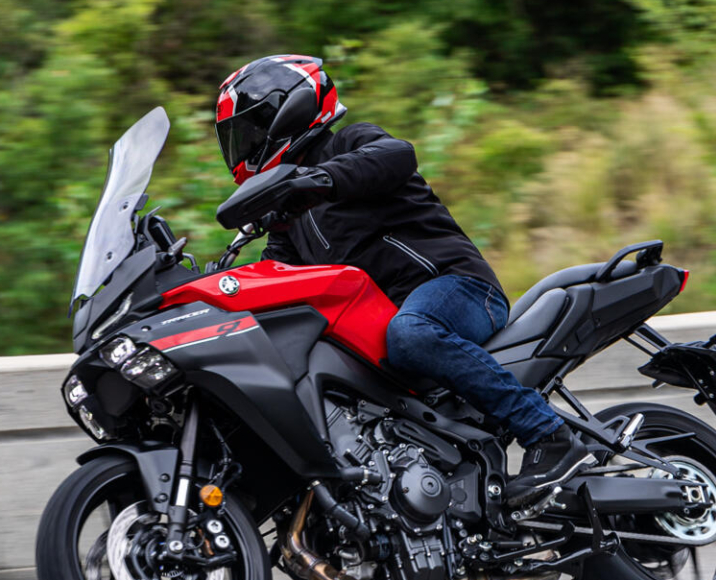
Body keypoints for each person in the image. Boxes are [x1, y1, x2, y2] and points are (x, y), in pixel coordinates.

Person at [212, 54, 590, 504]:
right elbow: (272, 278)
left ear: (289, 112)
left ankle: (549, 434)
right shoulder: (288, 220)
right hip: (391, 318)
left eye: (252, 130)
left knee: (411, 334)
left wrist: (316, 180)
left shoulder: (349, 143)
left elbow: (396, 156)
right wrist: (216, 289)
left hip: (462, 288)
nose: (246, 144)